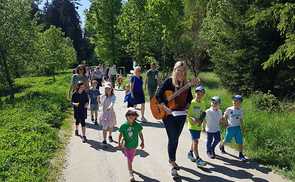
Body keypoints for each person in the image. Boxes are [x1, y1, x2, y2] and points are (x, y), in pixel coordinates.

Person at [155, 61, 198, 178]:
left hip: (181, 114)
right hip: (167, 114)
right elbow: (158, 96)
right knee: (172, 137)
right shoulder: (169, 81)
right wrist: (164, 107)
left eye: (183, 71)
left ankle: (171, 159)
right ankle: (172, 162)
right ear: (174, 70)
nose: (180, 73)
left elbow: (188, 98)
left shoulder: (186, 83)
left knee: (175, 138)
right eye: (178, 70)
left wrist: (188, 106)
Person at [118, 108, 144, 182]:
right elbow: (120, 134)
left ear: (136, 116)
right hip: (126, 145)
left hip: (134, 145)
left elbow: (140, 133)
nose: (131, 116)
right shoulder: (124, 125)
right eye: (129, 114)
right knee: (129, 159)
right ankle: (130, 174)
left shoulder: (137, 125)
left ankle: (130, 167)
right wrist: (119, 142)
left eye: (133, 115)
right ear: (126, 116)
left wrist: (142, 142)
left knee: (131, 158)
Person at [219, 95, 247, 162]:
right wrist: (225, 123)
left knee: (240, 141)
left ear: (240, 102)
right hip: (230, 128)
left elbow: (241, 120)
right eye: (234, 100)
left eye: (236, 100)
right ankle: (222, 145)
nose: (234, 102)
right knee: (226, 140)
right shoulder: (229, 109)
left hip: (237, 128)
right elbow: (225, 116)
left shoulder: (241, 110)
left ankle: (241, 154)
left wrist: (243, 128)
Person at [186, 85, 207, 167]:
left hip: (198, 126)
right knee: (196, 141)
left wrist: (201, 122)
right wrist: (192, 119)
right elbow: (187, 113)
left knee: (194, 140)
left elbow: (203, 114)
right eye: (198, 93)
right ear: (195, 94)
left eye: (201, 94)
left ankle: (190, 153)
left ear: (203, 95)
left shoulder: (203, 103)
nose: (199, 95)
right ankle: (198, 159)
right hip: (192, 125)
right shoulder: (191, 102)